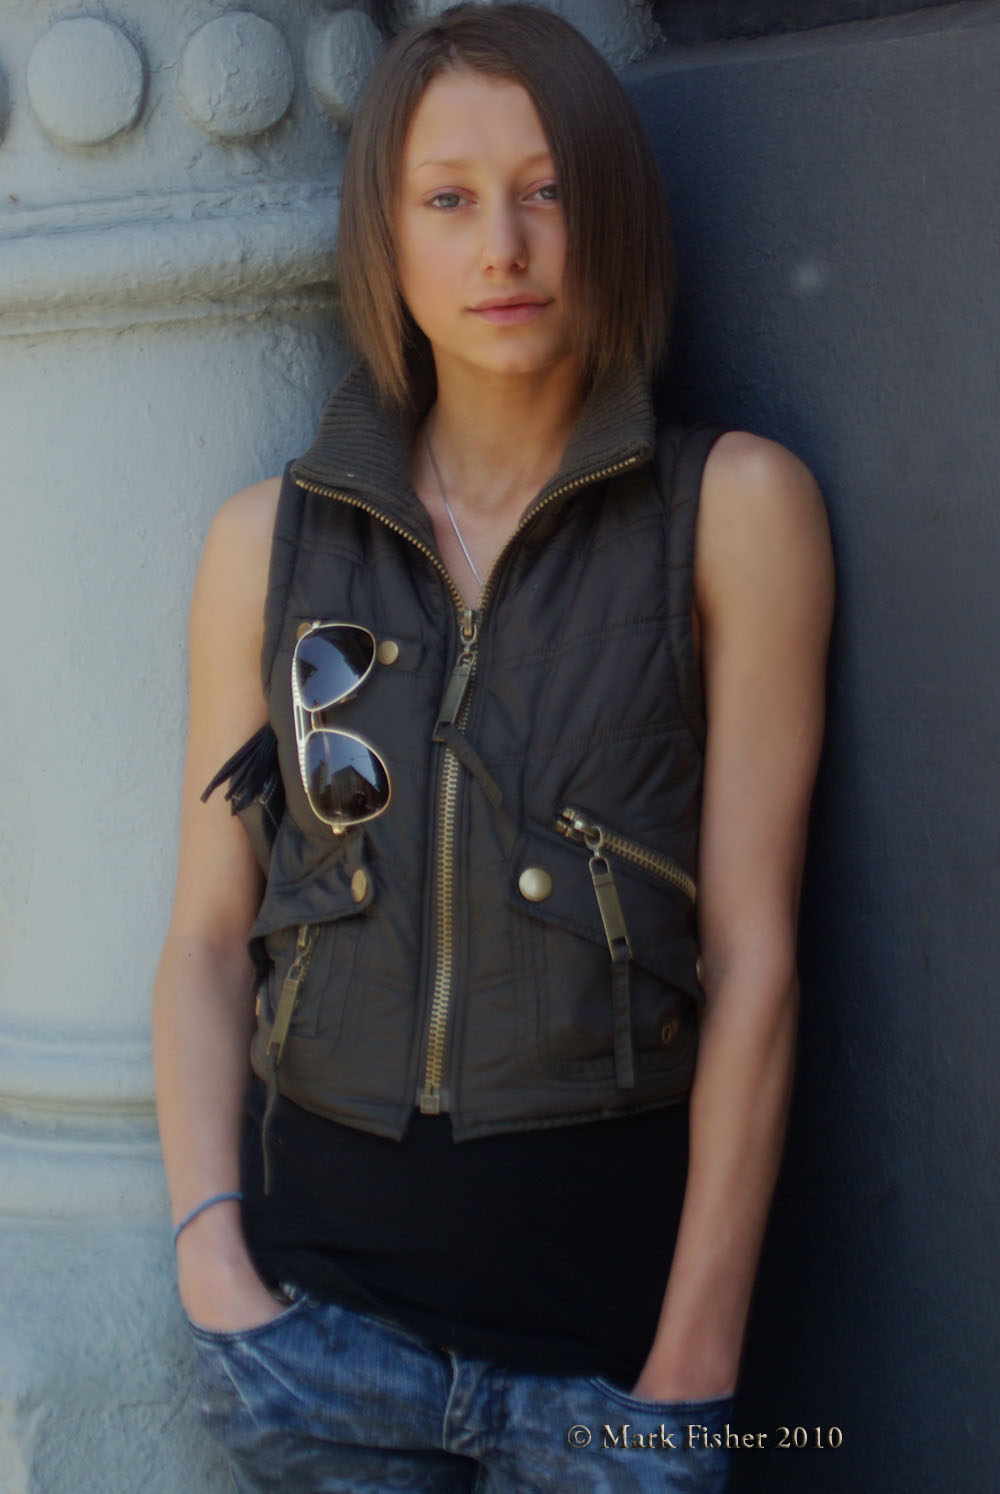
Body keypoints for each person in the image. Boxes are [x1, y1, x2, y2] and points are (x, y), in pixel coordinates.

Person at [152, 5, 834, 1491]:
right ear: (385, 239)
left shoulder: (733, 511)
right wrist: (214, 1260)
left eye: (548, 190)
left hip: (609, 1373)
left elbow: (757, 960)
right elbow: (207, 937)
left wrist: (691, 1369)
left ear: (613, 213)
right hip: (317, 1352)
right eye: (449, 200)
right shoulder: (268, 543)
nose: (505, 246)